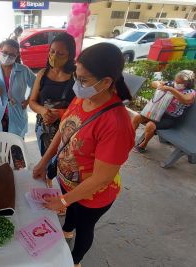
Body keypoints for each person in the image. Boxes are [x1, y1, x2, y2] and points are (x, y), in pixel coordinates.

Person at [32, 43, 135, 267]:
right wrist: (43, 162)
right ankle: (67, 230)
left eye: (83, 80)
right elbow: (63, 132)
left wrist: (62, 200)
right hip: (69, 183)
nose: (77, 85)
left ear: (107, 82)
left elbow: (102, 179)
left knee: (85, 227)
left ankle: (75, 260)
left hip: (93, 195)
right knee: (71, 215)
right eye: (77, 77)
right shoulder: (82, 98)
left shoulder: (116, 123)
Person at [29, 32, 76, 156]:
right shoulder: (42, 74)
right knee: (46, 162)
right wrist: (43, 111)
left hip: (69, 130)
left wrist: (60, 113)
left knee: (63, 164)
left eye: (60, 54)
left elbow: (84, 107)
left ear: (70, 55)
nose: (55, 56)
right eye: (52, 51)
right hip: (44, 129)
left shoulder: (77, 77)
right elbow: (32, 102)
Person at [0, 39, 35, 138]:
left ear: (17, 55)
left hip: (17, 115)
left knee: (15, 146)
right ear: (0, 51)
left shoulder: (23, 70)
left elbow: (36, 85)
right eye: (5, 52)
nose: (7, 56)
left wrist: (29, 100)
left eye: (12, 54)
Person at [132, 70, 196, 153]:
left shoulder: (190, 92)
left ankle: (143, 145)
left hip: (170, 118)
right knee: (137, 117)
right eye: (176, 81)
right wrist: (159, 85)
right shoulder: (171, 84)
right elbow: (154, 83)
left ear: (188, 83)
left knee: (150, 125)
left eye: (180, 82)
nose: (176, 83)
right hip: (156, 112)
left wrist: (171, 89)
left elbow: (185, 100)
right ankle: (130, 138)